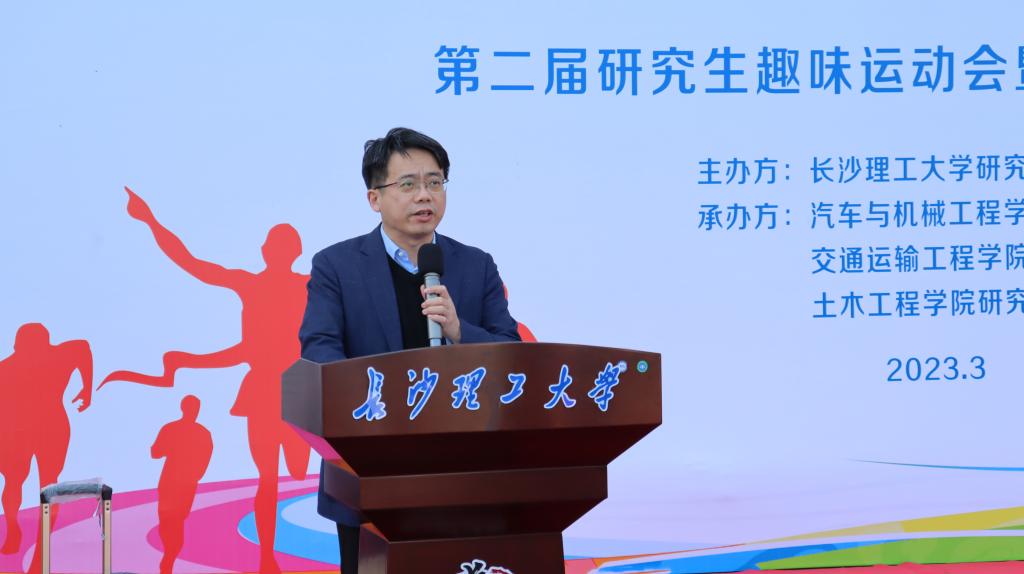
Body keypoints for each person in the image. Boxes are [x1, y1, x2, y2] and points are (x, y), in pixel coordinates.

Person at [299, 127, 521, 573]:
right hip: (370, 469)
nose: (425, 195)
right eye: (408, 184)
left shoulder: (475, 265)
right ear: (374, 198)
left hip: (465, 473)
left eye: (434, 182)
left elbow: (512, 354)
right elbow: (319, 350)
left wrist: (459, 331)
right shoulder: (336, 266)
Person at [101, 188, 310, 574]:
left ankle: (280, 542)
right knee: (268, 478)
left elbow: (192, 264)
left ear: (292, 252)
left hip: (298, 389)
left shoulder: (309, 284)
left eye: (283, 246)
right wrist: (150, 221)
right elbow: (191, 264)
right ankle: (267, 557)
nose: (276, 251)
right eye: (273, 245)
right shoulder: (251, 284)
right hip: (263, 391)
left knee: (297, 470)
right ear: (265, 251)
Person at [0, 323, 92, 574]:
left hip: (49, 429)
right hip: (22, 430)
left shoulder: (10, 366)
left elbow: (82, 348)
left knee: (46, 485)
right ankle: (13, 527)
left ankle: (41, 551)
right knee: (17, 481)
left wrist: (87, 388)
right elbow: (82, 348)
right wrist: (86, 388)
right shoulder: (8, 368)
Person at [151, 394, 213, 574]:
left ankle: (169, 558)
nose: (194, 411)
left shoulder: (203, 433)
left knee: (176, 521)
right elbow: (155, 452)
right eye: (192, 408)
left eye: (196, 408)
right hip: (170, 482)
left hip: (185, 484)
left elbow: (206, 458)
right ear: (183, 408)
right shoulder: (171, 428)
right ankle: (168, 556)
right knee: (166, 521)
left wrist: (195, 475)